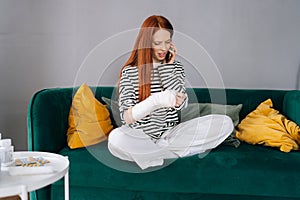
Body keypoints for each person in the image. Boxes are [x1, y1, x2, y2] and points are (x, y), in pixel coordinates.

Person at [108, 15, 233, 170]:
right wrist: (156, 101)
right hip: (141, 137)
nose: (163, 48)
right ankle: (162, 153)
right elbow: (126, 117)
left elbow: (182, 105)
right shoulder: (130, 72)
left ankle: (154, 155)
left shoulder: (176, 68)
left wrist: (167, 69)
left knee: (225, 123)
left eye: (167, 42)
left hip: (171, 134)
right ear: (146, 43)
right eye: (157, 43)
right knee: (115, 139)